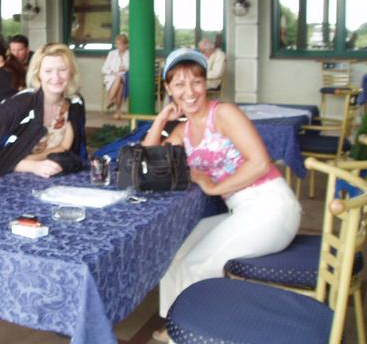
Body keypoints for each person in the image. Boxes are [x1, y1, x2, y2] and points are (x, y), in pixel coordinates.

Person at [142, 48, 301, 343]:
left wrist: (215, 187)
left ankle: (195, 333)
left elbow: (260, 162)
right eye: (179, 84)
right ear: (168, 88)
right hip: (243, 210)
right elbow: (148, 162)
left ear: (207, 83)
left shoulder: (223, 113)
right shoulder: (183, 131)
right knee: (174, 253)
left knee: (197, 263)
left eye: (196, 82)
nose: (190, 92)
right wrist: (162, 118)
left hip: (271, 206)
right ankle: (178, 325)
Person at [0, 43, 87, 190]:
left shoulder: (74, 105)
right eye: (48, 71)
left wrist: (35, 161)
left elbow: (67, 149)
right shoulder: (15, 108)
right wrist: (31, 166)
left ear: (71, 72)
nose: (56, 77)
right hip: (5, 188)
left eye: (62, 70)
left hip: (53, 185)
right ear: (38, 73)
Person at [101, 34, 129, 115]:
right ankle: (118, 110)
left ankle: (110, 100)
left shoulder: (130, 54)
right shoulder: (112, 54)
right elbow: (104, 69)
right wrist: (113, 72)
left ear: (125, 45)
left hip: (125, 76)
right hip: (111, 76)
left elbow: (132, 68)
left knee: (119, 78)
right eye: (116, 44)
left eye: (120, 44)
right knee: (120, 85)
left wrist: (125, 69)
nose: (117, 46)